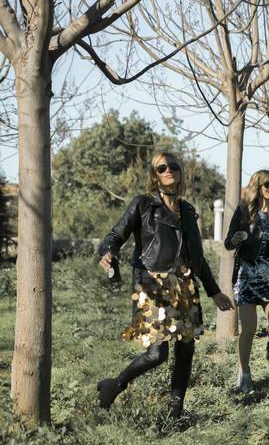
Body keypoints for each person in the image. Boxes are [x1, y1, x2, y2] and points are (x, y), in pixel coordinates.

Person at [95, 152, 234, 418]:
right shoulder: (143, 205)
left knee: (186, 349)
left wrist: (213, 291)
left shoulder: (188, 211)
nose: (168, 170)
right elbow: (116, 234)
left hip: (184, 285)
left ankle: (176, 410)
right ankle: (116, 384)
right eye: (161, 168)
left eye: (173, 167)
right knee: (157, 353)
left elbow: (198, 257)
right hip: (152, 284)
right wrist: (108, 251)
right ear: (154, 176)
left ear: (180, 173)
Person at [224, 170, 269, 392]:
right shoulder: (244, 212)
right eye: (266, 184)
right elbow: (228, 243)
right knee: (249, 328)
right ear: (257, 186)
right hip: (246, 277)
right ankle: (244, 374)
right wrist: (236, 239)